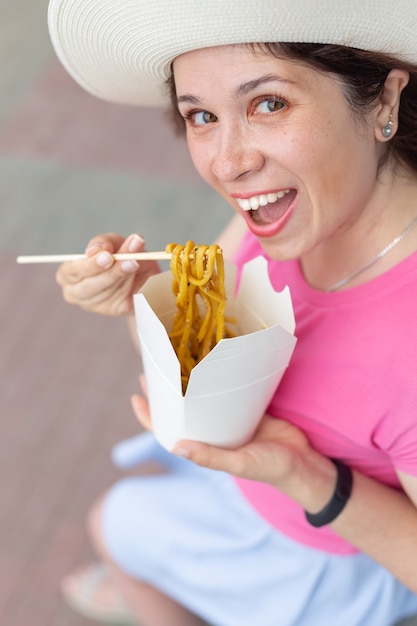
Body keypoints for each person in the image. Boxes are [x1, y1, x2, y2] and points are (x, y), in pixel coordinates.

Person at [48, 1, 417, 625]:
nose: (227, 163)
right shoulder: (286, 213)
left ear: (383, 99)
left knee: (115, 527)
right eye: (201, 116)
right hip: (245, 471)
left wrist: (306, 476)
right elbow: (206, 371)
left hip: (328, 548)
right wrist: (138, 302)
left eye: (268, 103)